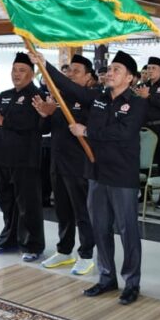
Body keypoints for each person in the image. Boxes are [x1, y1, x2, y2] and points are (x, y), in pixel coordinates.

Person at [32, 50, 146, 305]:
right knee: (100, 228)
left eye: (117, 70)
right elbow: (70, 88)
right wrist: (44, 65)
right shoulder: (98, 98)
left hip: (122, 175)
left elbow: (123, 133)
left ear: (130, 78)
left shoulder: (137, 103)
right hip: (96, 172)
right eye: (110, 69)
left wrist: (87, 131)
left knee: (127, 231)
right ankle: (106, 277)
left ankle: (131, 283)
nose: (110, 73)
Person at [34, 54, 98, 275]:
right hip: (58, 162)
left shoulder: (92, 98)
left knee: (82, 211)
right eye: (68, 70)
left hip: (79, 164)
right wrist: (45, 114)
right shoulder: (60, 99)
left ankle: (86, 254)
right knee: (62, 210)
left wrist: (45, 65)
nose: (70, 74)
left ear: (89, 77)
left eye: (76, 71)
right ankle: (64, 250)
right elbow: (45, 129)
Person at [0, 53, 44, 261]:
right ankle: (8, 241)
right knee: (6, 202)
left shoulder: (37, 96)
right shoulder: (5, 94)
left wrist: (3, 121)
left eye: (22, 70)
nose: (16, 74)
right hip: (1, 157)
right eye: (14, 70)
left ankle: (32, 245)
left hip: (24, 159)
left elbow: (33, 124)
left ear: (32, 74)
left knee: (28, 204)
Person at [134, 57, 160, 207]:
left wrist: (149, 96)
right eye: (148, 68)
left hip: (159, 128)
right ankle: (145, 193)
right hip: (143, 128)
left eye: (153, 68)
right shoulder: (141, 86)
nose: (150, 71)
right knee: (143, 161)